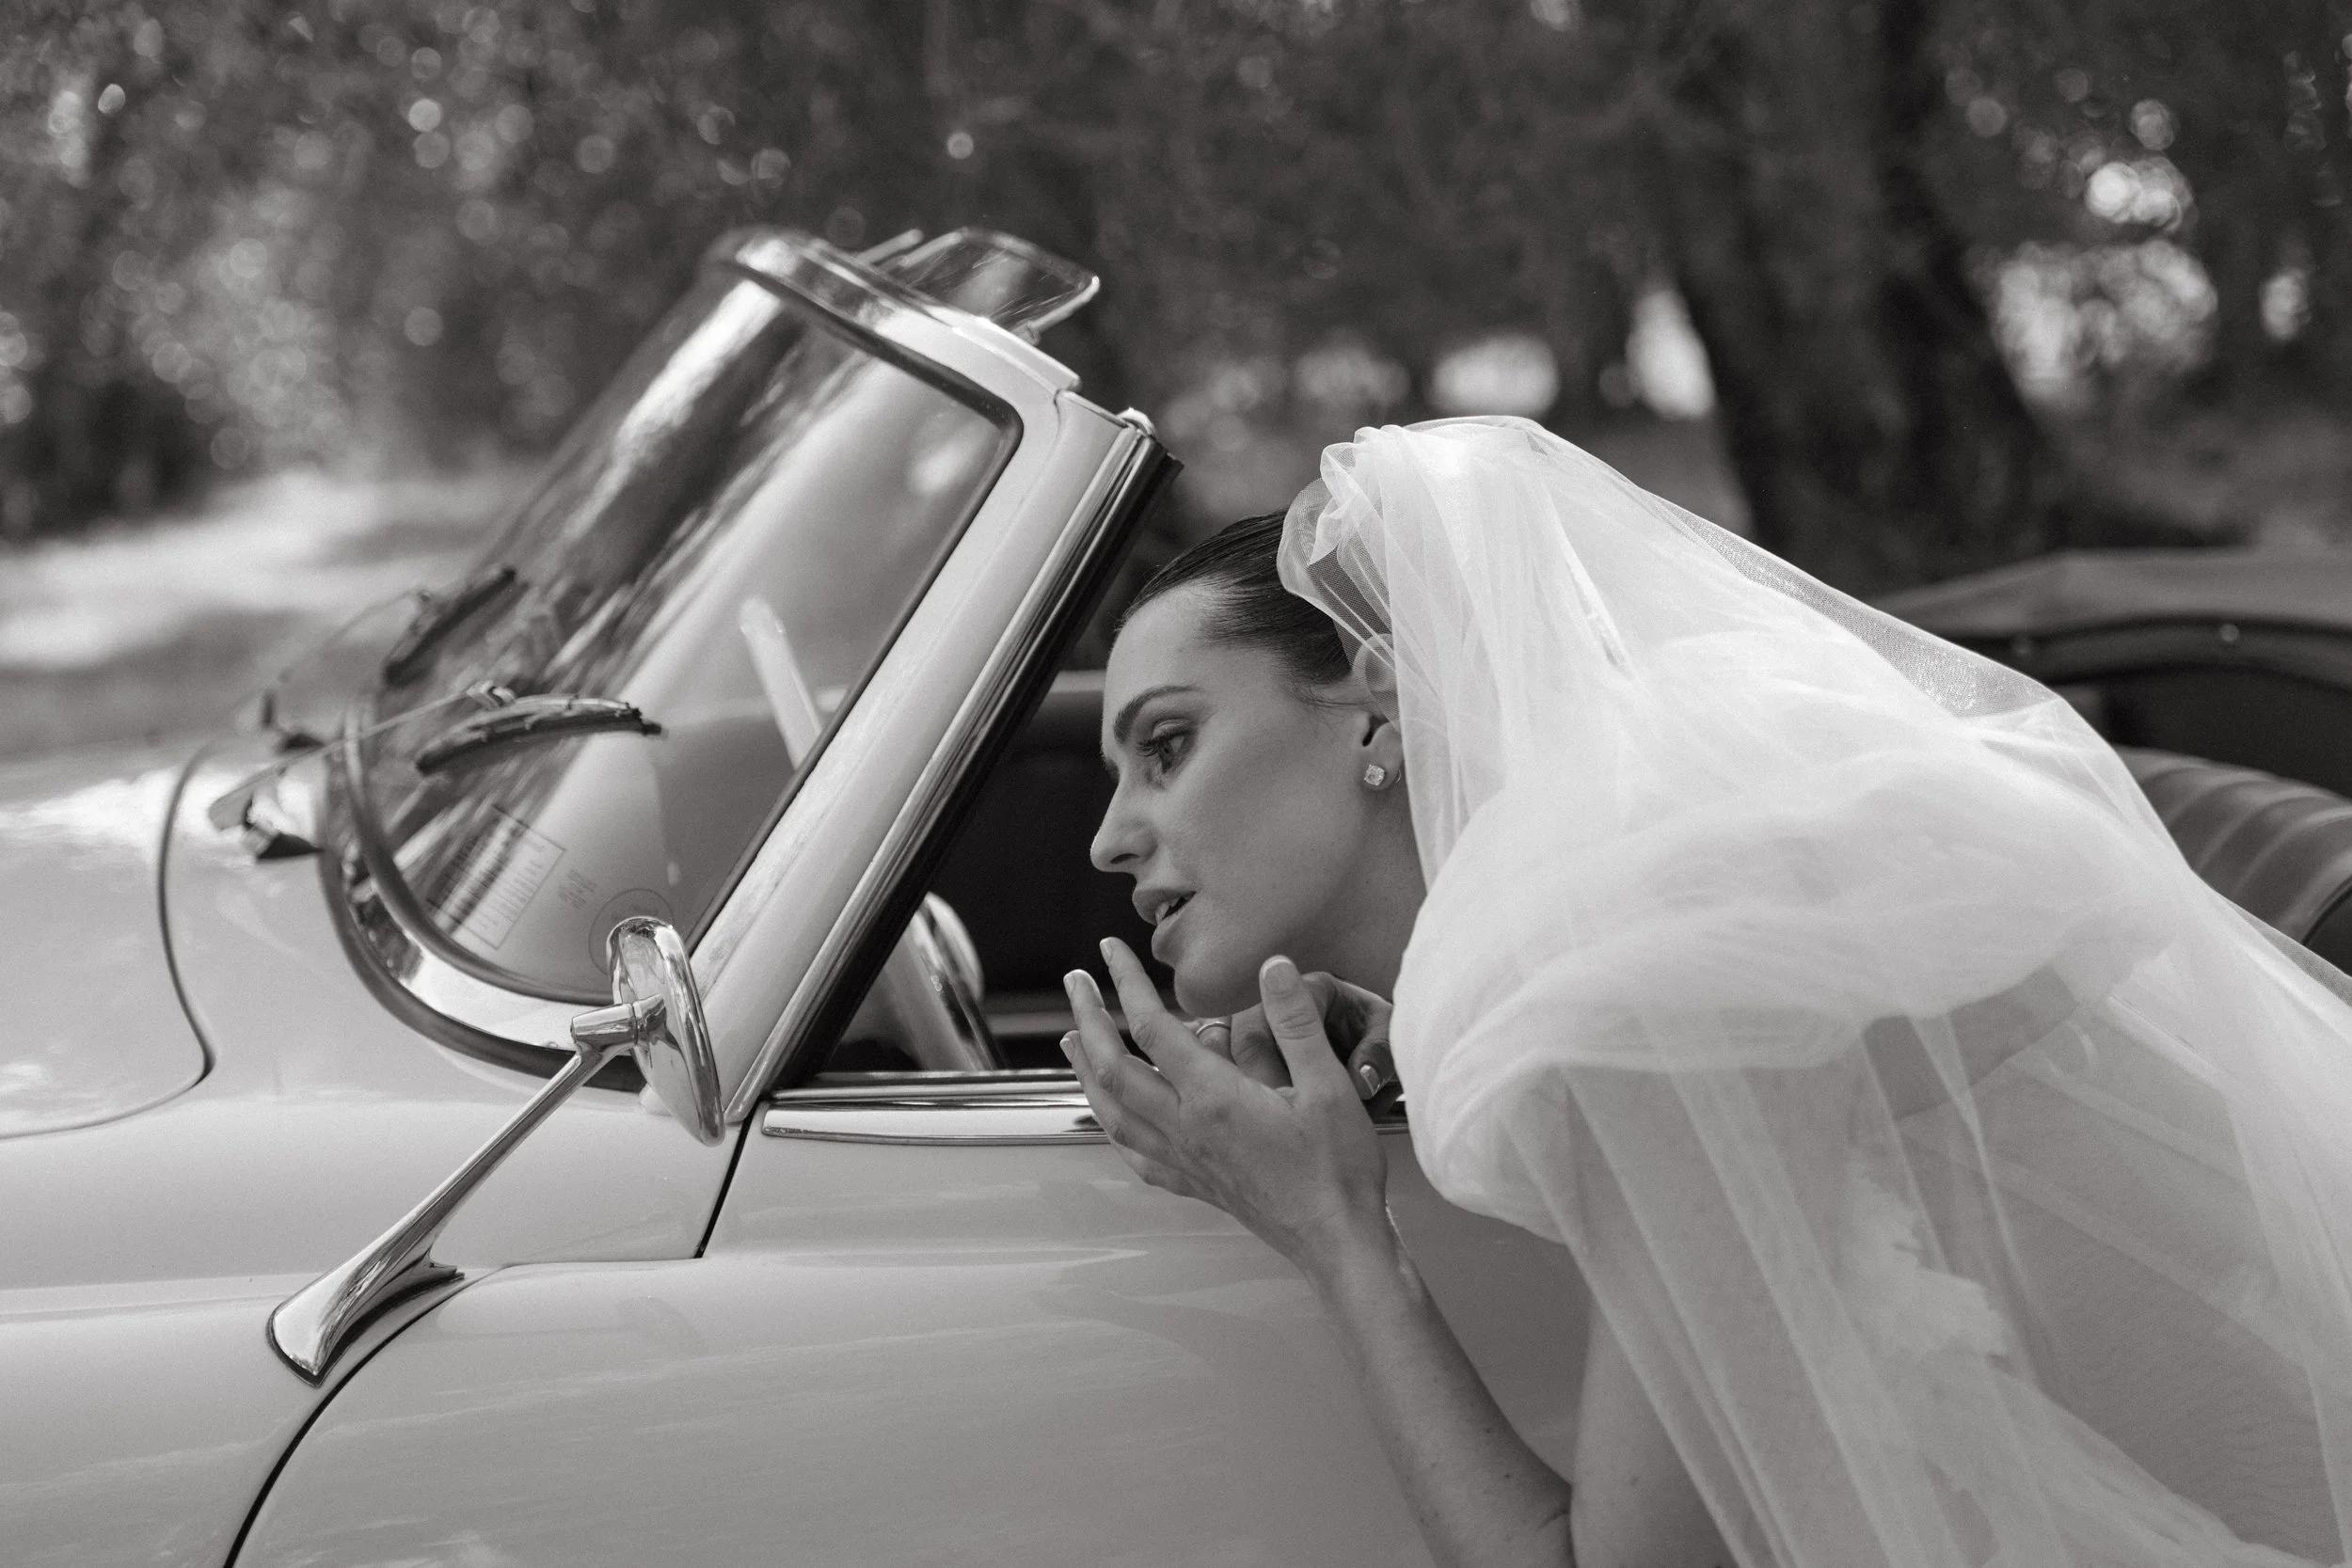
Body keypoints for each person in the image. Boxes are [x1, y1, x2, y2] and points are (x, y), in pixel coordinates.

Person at [1060, 416, 2352, 1568]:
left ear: (1376, 696)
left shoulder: (1650, 983)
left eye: (1167, 745)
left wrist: (1331, 1228)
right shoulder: (1612, 925)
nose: (1110, 838)